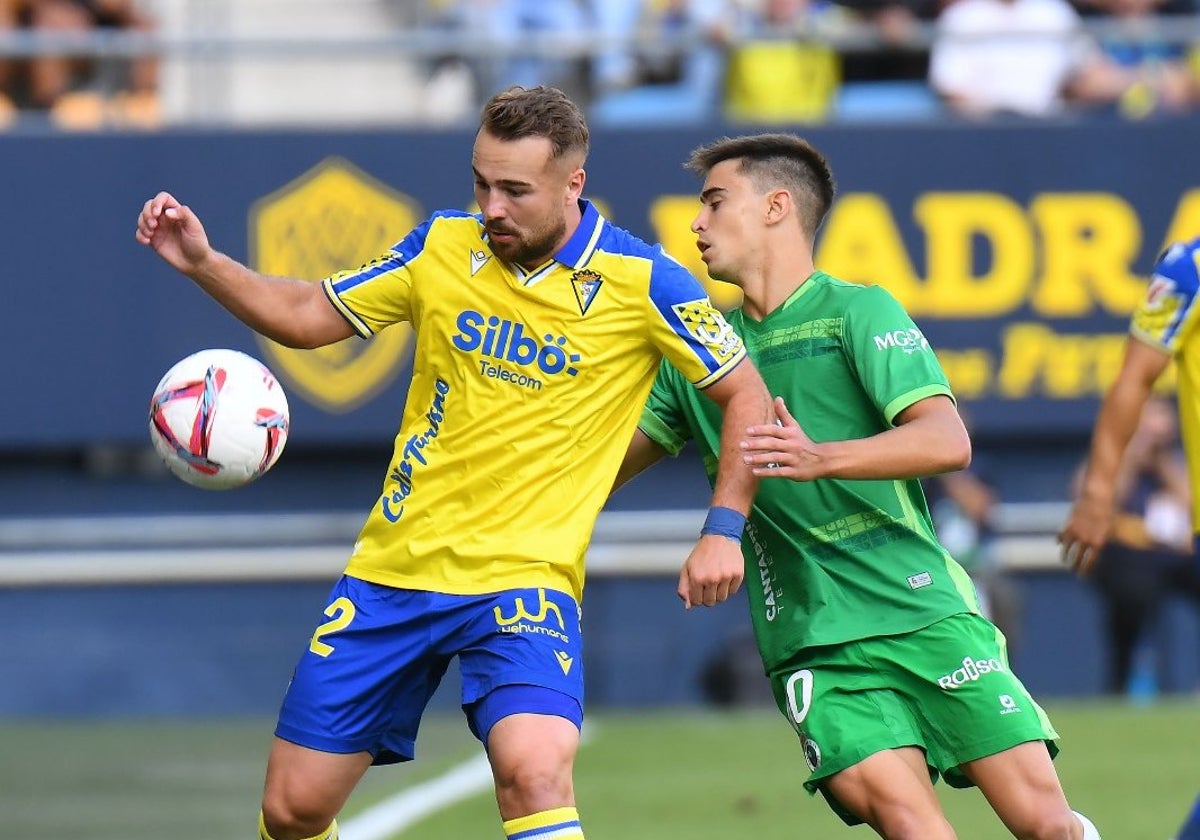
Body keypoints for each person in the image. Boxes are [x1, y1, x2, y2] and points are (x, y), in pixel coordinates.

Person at [135, 85, 771, 840]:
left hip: (523, 581)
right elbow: (308, 316)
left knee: (534, 774)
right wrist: (204, 263)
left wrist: (723, 529)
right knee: (294, 809)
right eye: (481, 182)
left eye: (514, 190)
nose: (492, 206)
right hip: (394, 573)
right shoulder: (443, 246)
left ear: (573, 184)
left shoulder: (645, 282)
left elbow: (748, 396)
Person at [616, 132, 1100, 839]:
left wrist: (824, 457)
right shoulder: (699, 353)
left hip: (924, 613)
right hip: (814, 642)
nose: (696, 223)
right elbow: (604, 467)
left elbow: (947, 440)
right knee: (914, 826)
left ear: (777, 207)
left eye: (715, 202)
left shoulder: (857, 312)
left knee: (1047, 826)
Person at [1068, 396, 1198, 696]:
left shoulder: (1176, 459)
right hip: (1121, 558)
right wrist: (1131, 457)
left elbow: (1190, 505)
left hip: (1171, 556)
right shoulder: (1109, 454)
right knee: (1132, 594)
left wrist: (1161, 463)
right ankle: (1121, 684)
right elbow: (1093, 502)